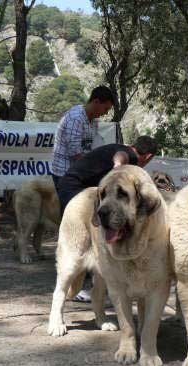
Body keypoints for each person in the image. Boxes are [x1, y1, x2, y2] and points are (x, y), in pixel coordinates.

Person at [50, 85, 114, 302]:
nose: (104, 115)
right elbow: (77, 154)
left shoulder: (92, 120)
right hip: (66, 176)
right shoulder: (76, 118)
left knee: (91, 222)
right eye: (104, 109)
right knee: (74, 224)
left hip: (83, 175)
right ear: (96, 101)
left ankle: (87, 274)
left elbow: (92, 149)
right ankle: (71, 279)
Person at [56, 135, 158, 219]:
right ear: (148, 157)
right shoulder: (130, 155)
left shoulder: (120, 147)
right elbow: (121, 155)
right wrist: (118, 166)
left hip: (70, 185)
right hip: (74, 189)